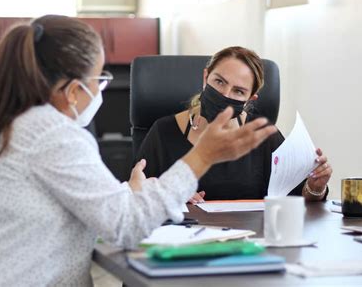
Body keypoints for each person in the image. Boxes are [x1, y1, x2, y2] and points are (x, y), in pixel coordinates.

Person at [0, 16, 276, 286]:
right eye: (97, 78)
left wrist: (131, 191)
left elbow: (77, 201)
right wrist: (202, 156)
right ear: (71, 90)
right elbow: (126, 227)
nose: (99, 89)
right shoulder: (53, 136)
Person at [135, 46, 332, 204]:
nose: (225, 95)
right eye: (219, 82)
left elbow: (299, 198)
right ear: (205, 77)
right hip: (184, 242)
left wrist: (316, 187)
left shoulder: (262, 136)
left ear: (250, 99)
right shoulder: (163, 132)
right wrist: (169, 194)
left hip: (251, 243)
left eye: (238, 91)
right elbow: (135, 192)